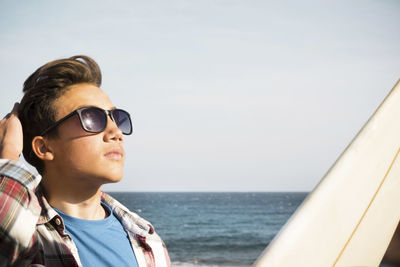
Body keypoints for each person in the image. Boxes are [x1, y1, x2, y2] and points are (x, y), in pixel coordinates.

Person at [0, 55, 171, 266]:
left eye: (116, 118)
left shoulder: (147, 240)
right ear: (44, 147)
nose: (116, 132)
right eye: (92, 117)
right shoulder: (29, 238)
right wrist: (8, 151)